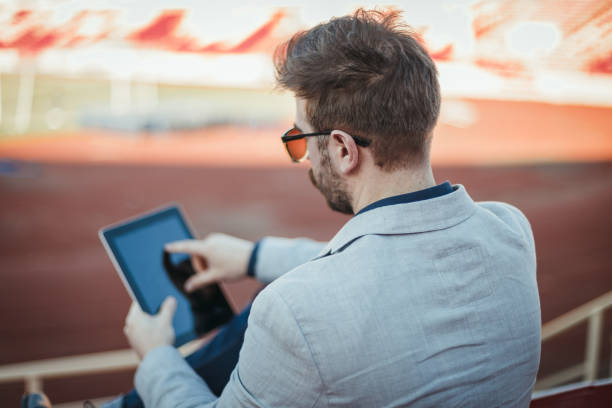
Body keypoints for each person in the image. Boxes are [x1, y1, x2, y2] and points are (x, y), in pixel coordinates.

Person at [106, 8, 541, 408]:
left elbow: (351, 284)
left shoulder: (295, 310)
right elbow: (389, 266)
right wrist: (253, 257)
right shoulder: (509, 230)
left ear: (343, 150)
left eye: (300, 140)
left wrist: (158, 360)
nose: (305, 159)